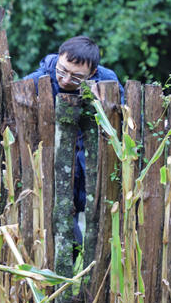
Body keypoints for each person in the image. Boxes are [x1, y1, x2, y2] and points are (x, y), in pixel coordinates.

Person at [24, 35, 123, 244]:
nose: (66, 80)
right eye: (62, 71)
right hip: (51, 165)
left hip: (92, 164)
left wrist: (103, 105)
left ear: (92, 72)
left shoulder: (106, 81)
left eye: (77, 77)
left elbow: (125, 120)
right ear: (59, 58)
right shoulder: (37, 80)